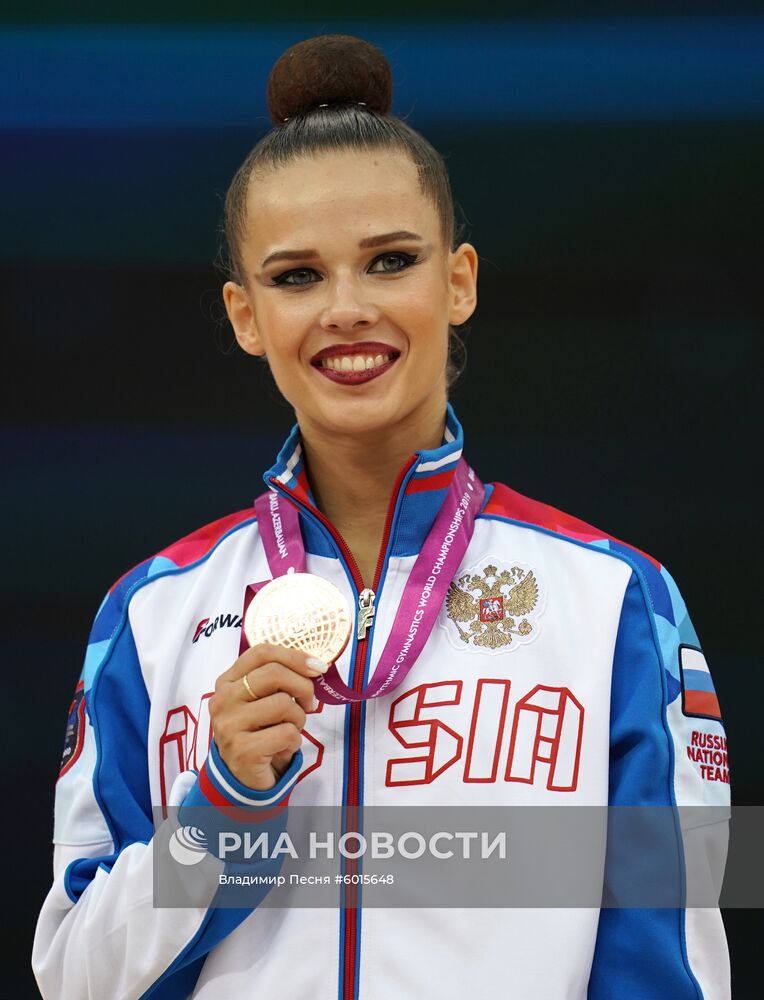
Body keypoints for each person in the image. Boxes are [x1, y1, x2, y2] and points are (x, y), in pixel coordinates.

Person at [32, 33, 731, 999]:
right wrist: (217, 811)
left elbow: (669, 962)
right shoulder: (151, 618)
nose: (346, 309)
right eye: (296, 277)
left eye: (391, 261)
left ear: (460, 281)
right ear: (245, 316)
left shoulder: (615, 600)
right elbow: (74, 978)